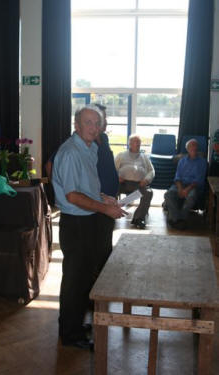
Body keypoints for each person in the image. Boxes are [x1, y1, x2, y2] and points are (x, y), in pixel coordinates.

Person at [52, 105, 126, 350]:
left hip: (88, 220)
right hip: (76, 224)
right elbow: (72, 196)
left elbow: (86, 188)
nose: (93, 127)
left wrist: (103, 197)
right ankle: (70, 335)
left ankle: (73, 324)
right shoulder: (71, 152)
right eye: (88, 122)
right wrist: (105, 209)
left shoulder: (90, 147)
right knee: (75, 280)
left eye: (97, 123)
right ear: (77, 125)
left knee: (83, 279)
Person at [94, 103, 119, 277]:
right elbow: (51, 165)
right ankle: (92, 297)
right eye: (102, 119)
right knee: (95, 250)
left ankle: (103, 285)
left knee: (105, 246)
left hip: (109, 202)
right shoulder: (82, 142)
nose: (105, 123)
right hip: (96, 204)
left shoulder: (103, 138)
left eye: (105, 119)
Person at [164, 138, 207, 230]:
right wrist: (180, 189)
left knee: (191, 197)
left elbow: (199, 180)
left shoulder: (202, 162)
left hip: (193, 186)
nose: (194, 149)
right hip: (180, 185)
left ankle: (178, 219)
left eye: (195, 147)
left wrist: (187, 190)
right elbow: (177, 177)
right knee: (168, 195)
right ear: (187, 149)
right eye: (191, 147)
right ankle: (178, 220)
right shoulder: (182, 161)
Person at [115, 134, 155, 229]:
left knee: (148, 192)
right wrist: (117, 177)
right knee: (111, 189)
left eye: (139, 142)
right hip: (122, 183)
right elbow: (112, 169)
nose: (138, 144)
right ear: (129, 144)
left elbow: (152, 171)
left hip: (139, 184)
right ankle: (112, 212)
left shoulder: (144, 157)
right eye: (135, 142)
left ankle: (138, 218)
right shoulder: (121, 155)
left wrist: (146, 179)